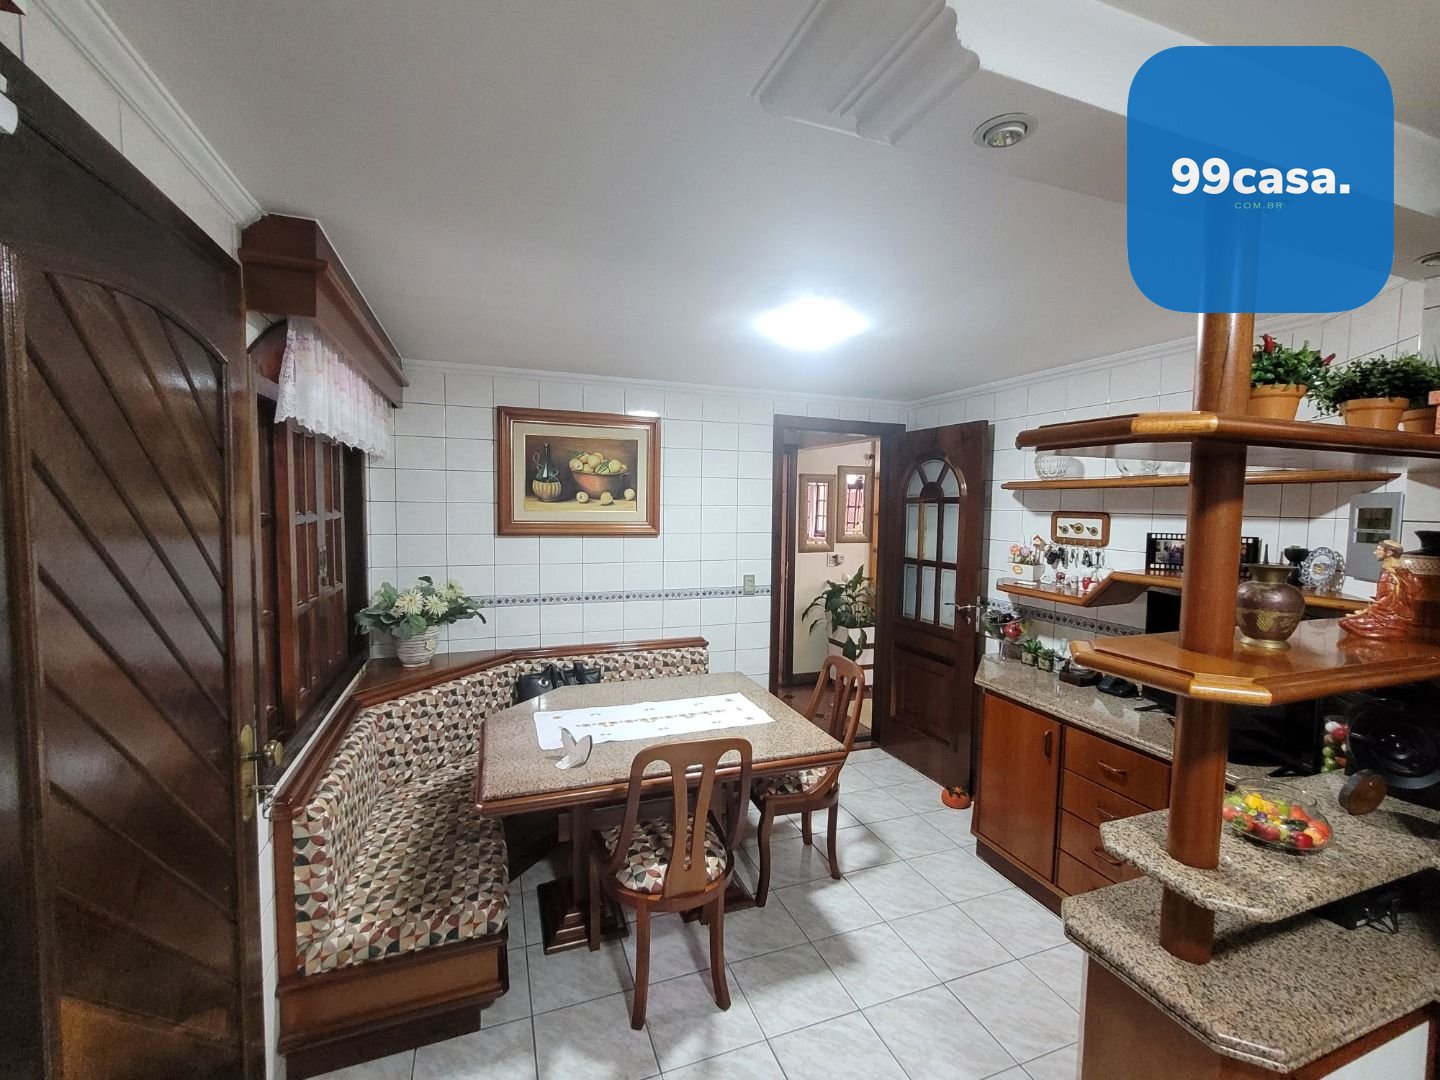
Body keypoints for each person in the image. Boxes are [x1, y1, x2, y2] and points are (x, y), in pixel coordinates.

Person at [1339, 539, 1419, 640]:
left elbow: (1386, 602)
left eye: (1379, 549)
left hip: (1387, 619)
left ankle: (1390, 631)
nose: (1375, 552)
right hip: (1397, 617)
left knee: (1345, 622)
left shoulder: (1389, 575)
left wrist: (1367, 611)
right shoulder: (1405, 573)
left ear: (1389, 553)